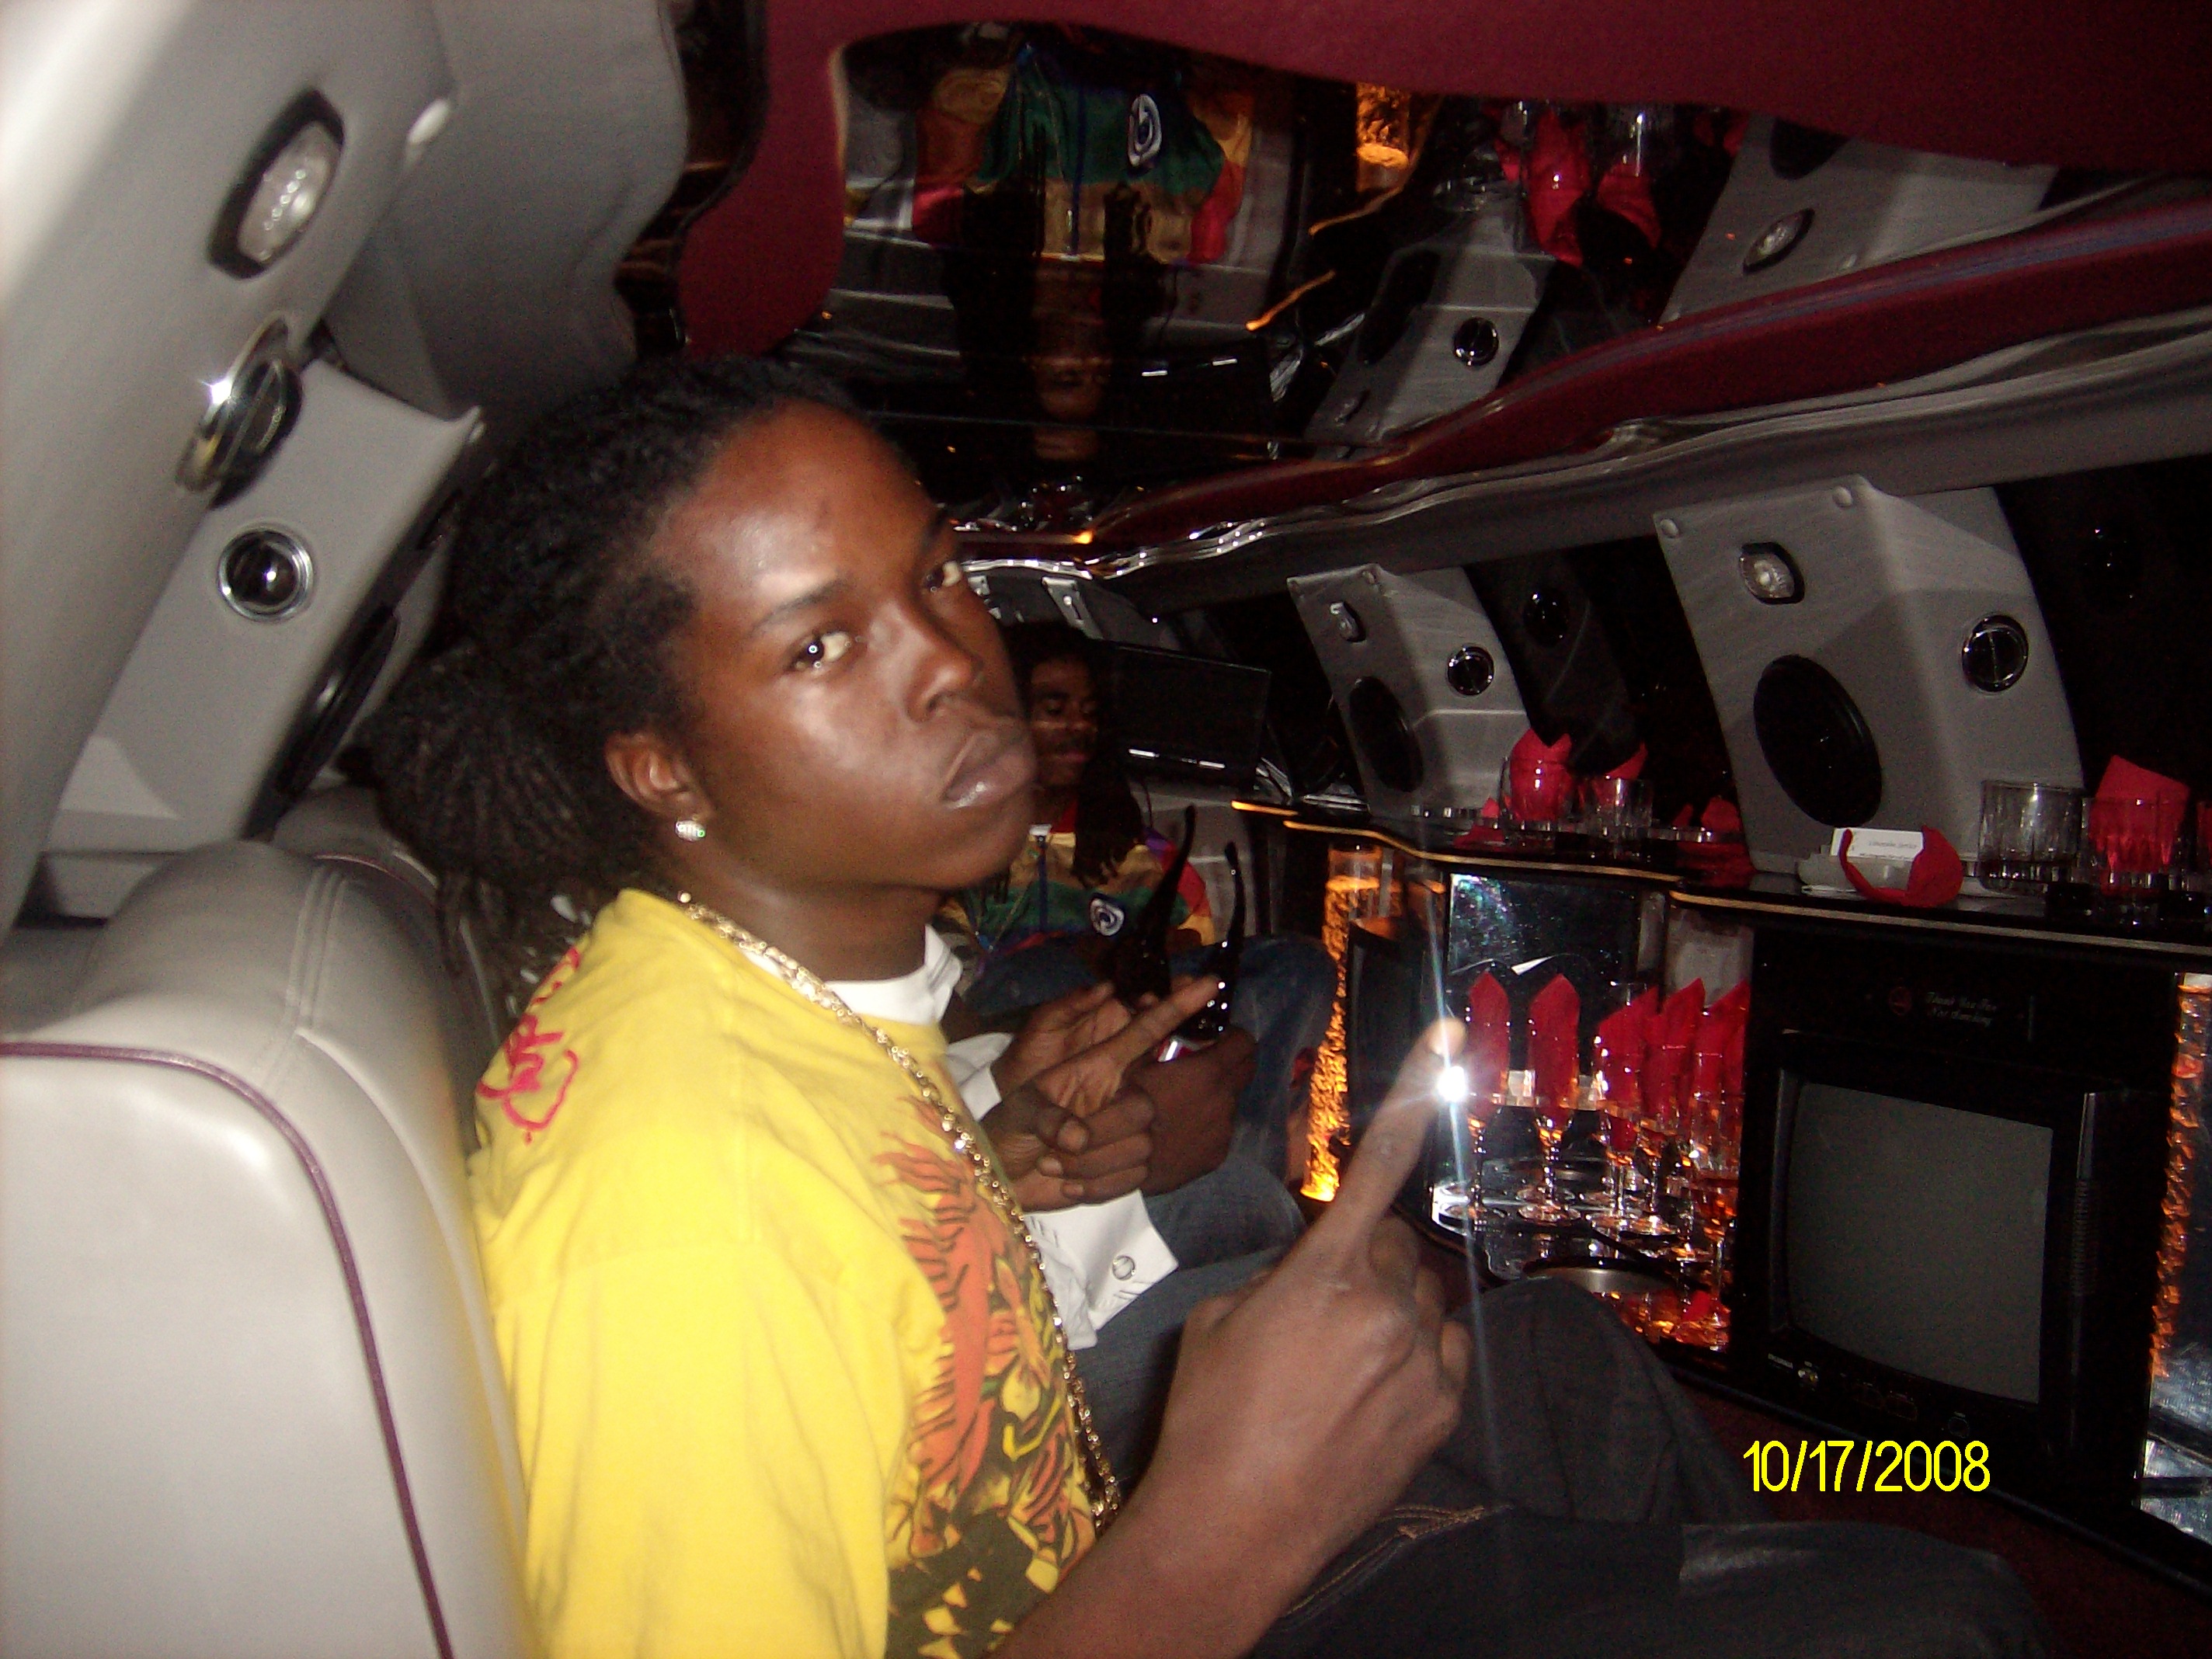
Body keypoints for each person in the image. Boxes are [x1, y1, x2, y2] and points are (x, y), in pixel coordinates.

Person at [369, 358, 2050, 1659]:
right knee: (1939, 1624)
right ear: (660, 769)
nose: (947, 662)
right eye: (820, 649)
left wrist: (995, 1167)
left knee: (1576, 1373)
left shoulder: (775, 1015)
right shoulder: (682, 1194)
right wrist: (1222, 1527)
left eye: (936, 574)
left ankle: (1860, 1500)